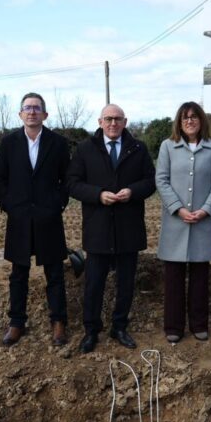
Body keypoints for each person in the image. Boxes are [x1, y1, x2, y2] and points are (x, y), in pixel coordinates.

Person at [67, 104, 156, 353]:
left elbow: (151, 181)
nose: (113, 123)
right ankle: (91, 330)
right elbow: (73, 183)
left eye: (117, 119)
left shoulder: (138, 148)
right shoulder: (85, 149)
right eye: (108, 119)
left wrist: (133, 191)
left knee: (126, 282)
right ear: (100, 121)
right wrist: (98, 194)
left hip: (129, 226)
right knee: (94, 282)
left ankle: (119, 327)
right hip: (98, 227)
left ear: (125, 121)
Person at [0, 92, 71, 347]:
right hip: (20, 218)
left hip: (48, 218)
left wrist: (57, 203)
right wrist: (9, 205)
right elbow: (0, 179)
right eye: (27, 108)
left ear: (45, 114)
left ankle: (58, 322)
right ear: (20, 114)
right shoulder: (8, 143)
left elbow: (67, 179)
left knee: (55, 273)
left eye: (37, 108)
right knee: (19, 274)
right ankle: (16, 322)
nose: (31, 112)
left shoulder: (59, 143)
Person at [156, 102, 211, 343]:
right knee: (173, 278)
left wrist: (206, 210)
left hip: (202, 222)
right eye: (185, 117)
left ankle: (199, 324)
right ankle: (173, 327)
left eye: (194, 117)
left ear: (201, 120)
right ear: (179, 121)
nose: (190, 121)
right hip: (176, 222)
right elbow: (162, 180)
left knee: (199, 277)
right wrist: (178, 209)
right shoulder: (168, 147)